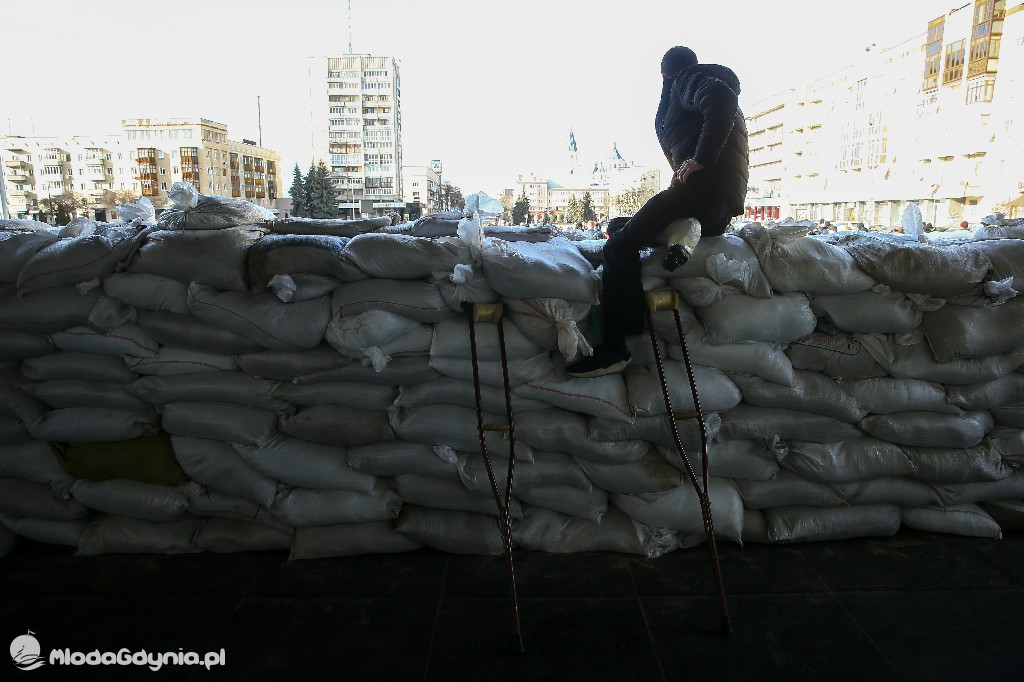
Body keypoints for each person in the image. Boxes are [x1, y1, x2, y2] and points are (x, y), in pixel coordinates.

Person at [567, 45, 749, 378]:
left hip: (700, 194)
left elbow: (720, 99)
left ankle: (615, 347)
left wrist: (700, 160)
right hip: (716, 205)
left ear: (666, 72)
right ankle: (683, 237)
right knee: (622, 224)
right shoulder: (700, 84)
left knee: (618, 244)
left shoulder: (689, 79)